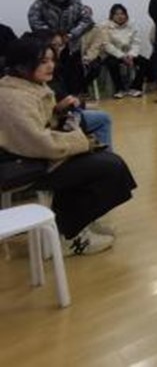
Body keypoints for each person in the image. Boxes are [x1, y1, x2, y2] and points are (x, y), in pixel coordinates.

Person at [0, 35, 137, 255]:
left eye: (51, 60)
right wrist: (80, 141)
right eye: (43, 61)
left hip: (36, 157)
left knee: (107, 162)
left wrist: (58, 111)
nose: (50, 66)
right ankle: (66, 236)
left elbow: (40, 127)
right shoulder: (13, 98)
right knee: (109, 168)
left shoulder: (28, 86)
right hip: (25, 165)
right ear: (22, 65)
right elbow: (38, 142)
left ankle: (75, 224)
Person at [27, 0, 94, 96]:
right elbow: (34, 20)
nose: (61, 0)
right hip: (49, 45)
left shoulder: (76, 2)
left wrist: (71, 34)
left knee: (74, 73)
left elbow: (86, 20)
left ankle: (73, 98)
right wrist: (52, 35)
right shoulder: (41, 2)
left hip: (72, 44)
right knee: (54, 73)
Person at [98, 4, 148, 98]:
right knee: (112, 64)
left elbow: (136, 42)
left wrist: (131, 55)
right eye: (116, 14)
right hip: (112, 54)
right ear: (112, 16)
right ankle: (119, 89)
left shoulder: (132, 25)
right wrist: (122, 56)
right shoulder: (104, 26)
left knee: (145, 62)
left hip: (129, 54)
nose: (120, 16)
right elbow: (106, 45)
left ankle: (135, 87)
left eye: (122, 14)